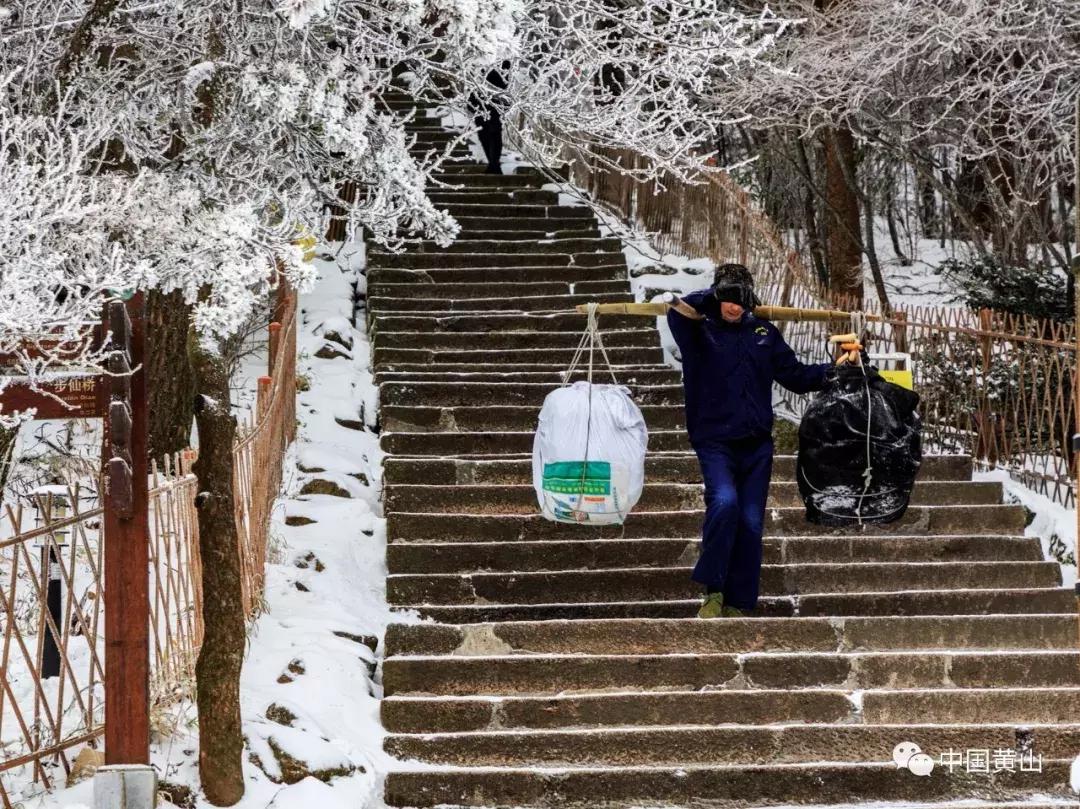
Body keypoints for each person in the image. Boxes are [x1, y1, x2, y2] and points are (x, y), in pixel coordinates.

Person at [666, 263, 834, 619]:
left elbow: (797, 375)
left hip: (757, 444)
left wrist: (835, 372)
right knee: (724, 503)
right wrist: (712, 298)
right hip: (714, 440)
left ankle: (738, 603)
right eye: (727, 298)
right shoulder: (698, 329)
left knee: (751, 521)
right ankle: (714, 592)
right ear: (717, 295)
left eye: (741, 299)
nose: (733, 306)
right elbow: (676, 310)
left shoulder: (764, 333)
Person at [466, 62, 510, 174]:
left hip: (494, 104)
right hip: (483, 104)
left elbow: (506, 80)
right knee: (487, 136)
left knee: (492, 135)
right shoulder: (481, 63)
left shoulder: (500, 63)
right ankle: (493, 163)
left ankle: (494, 163)